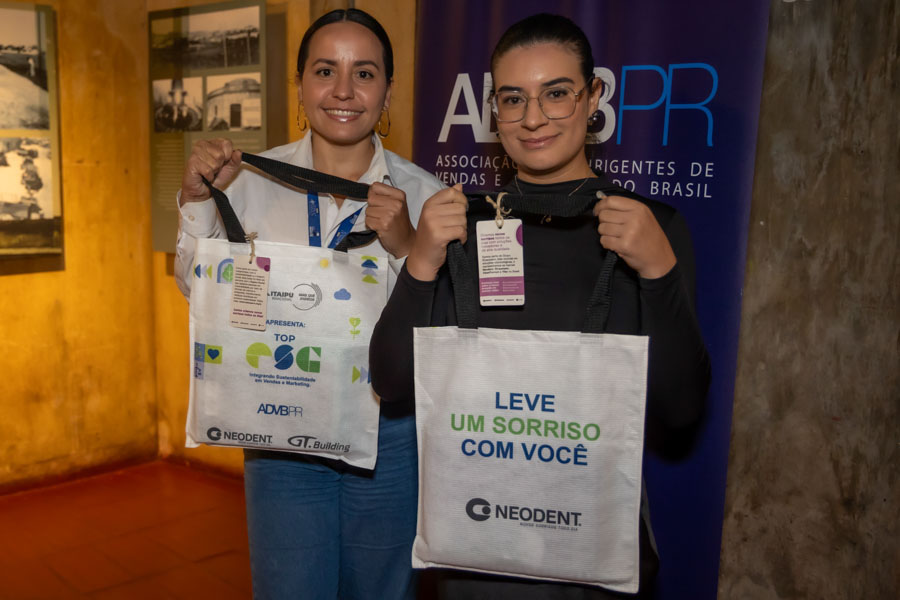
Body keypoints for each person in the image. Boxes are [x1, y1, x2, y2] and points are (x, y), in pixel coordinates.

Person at [369, 13, 711, 599]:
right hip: (475, 551)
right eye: (513, 99)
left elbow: (680, 411)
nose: (533, 119)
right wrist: (421, 261)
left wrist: (659, 271)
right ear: (494, 110)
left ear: (593, 96)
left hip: (592, 555)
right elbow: (391, 382)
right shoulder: (461, 226)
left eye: (556, 93)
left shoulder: (651, 227)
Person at [174, 8, 443, 599]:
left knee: (382, 591)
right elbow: (200, 289)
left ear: (388, 90)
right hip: (280, 429)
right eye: (325, 70)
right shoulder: (248, 182)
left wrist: (405, 246)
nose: (343, 90)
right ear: (299, 85)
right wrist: (197, 204)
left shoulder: (427, 197)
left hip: (389, 434)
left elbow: (440, 332)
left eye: (364, 73)